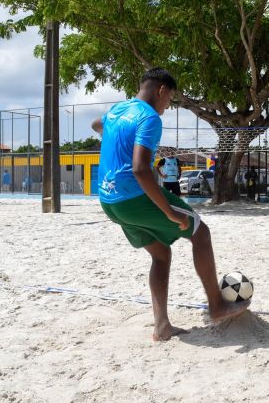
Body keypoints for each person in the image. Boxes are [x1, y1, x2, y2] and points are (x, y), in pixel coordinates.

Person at [91, 67, 249, 342]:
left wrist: (117, 141)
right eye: (170, 100)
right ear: (161, 90)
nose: (167, 106)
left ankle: (161, 326)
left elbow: (97, 125)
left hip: (109, 200)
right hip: (133, 197)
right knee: (201, 233)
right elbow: (141, 170)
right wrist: (171, 213)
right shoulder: (149, 118)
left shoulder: (118, 110)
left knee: (161, 254)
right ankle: (217, 305)